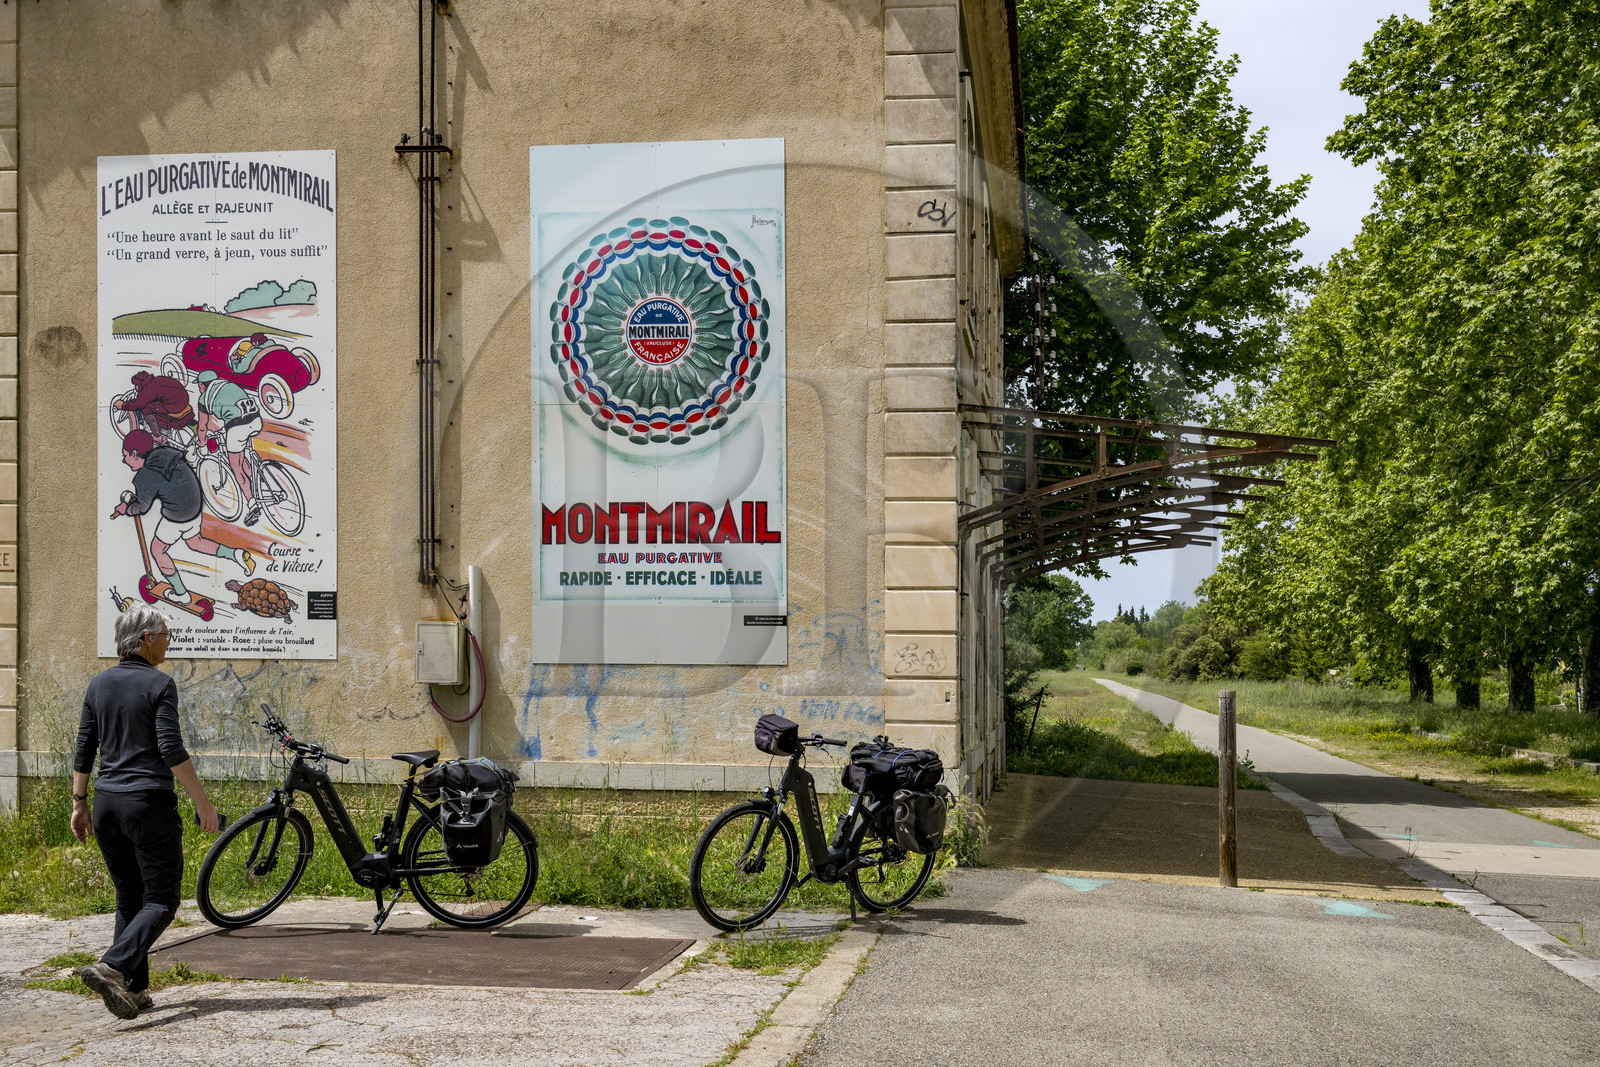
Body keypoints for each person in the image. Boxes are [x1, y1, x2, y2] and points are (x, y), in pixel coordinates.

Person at [72, 604, 222, 1019]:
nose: (168, 642)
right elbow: (170, 748)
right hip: (147, 804)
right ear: (145, 641)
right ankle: (113, 966)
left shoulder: (98, 684)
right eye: (165, 635)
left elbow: (85, 746)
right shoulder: (160, 684)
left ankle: (133, 989)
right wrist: (202, 802)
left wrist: (78, 803)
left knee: (129, 896)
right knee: (160, 900)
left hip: (104, 804)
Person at [110, 430, 254, 605]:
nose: (123, 460)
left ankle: (181, 594)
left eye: (125, 455)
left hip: (177, 515)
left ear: (134, 454)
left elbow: (142, 508)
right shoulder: (164, 453)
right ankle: (235, 554)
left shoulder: (145, 476)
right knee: (195, 542)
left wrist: (126, 508)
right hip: (194, 507)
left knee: (158, 550)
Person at [194, 369, 265, 526]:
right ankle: (257, 483)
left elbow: (202, 426)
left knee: (235, 466)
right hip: (256, 421)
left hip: (237, 427)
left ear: (201, 385)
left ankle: (252, 504)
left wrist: (202, 441)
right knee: (242, 456)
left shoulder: (204, 398)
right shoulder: (229, 385)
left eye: (199, 386)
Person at [112, 370, 194, 446]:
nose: (136, 388)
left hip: (174, 405)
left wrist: (122, 405)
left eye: (136, 385)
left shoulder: (149, 388)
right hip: (182, 401)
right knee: (152, 404)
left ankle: (156, 435)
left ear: (140, 384)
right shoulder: (156, 380)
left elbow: (139, 404)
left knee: (147, 408)